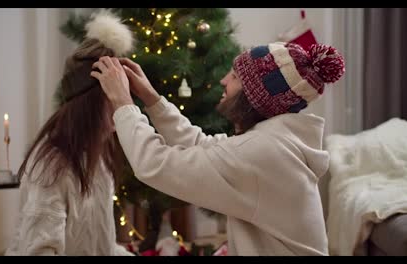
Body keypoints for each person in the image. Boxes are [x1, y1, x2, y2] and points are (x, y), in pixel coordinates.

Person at [90, 42, 345, 256]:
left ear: (254, 95)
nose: (223, 80)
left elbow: (156, 165)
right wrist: (152, 99)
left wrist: (123, 103)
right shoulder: (275, 140)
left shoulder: (261, 151)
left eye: (234, 76)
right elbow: (202, 145)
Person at [5, 10, 134, 256]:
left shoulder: (99, 161)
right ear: (92, 105)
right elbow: (40, 251)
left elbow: (102, 247)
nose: (124, 105)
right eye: (114, 97)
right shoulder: (51, 168)